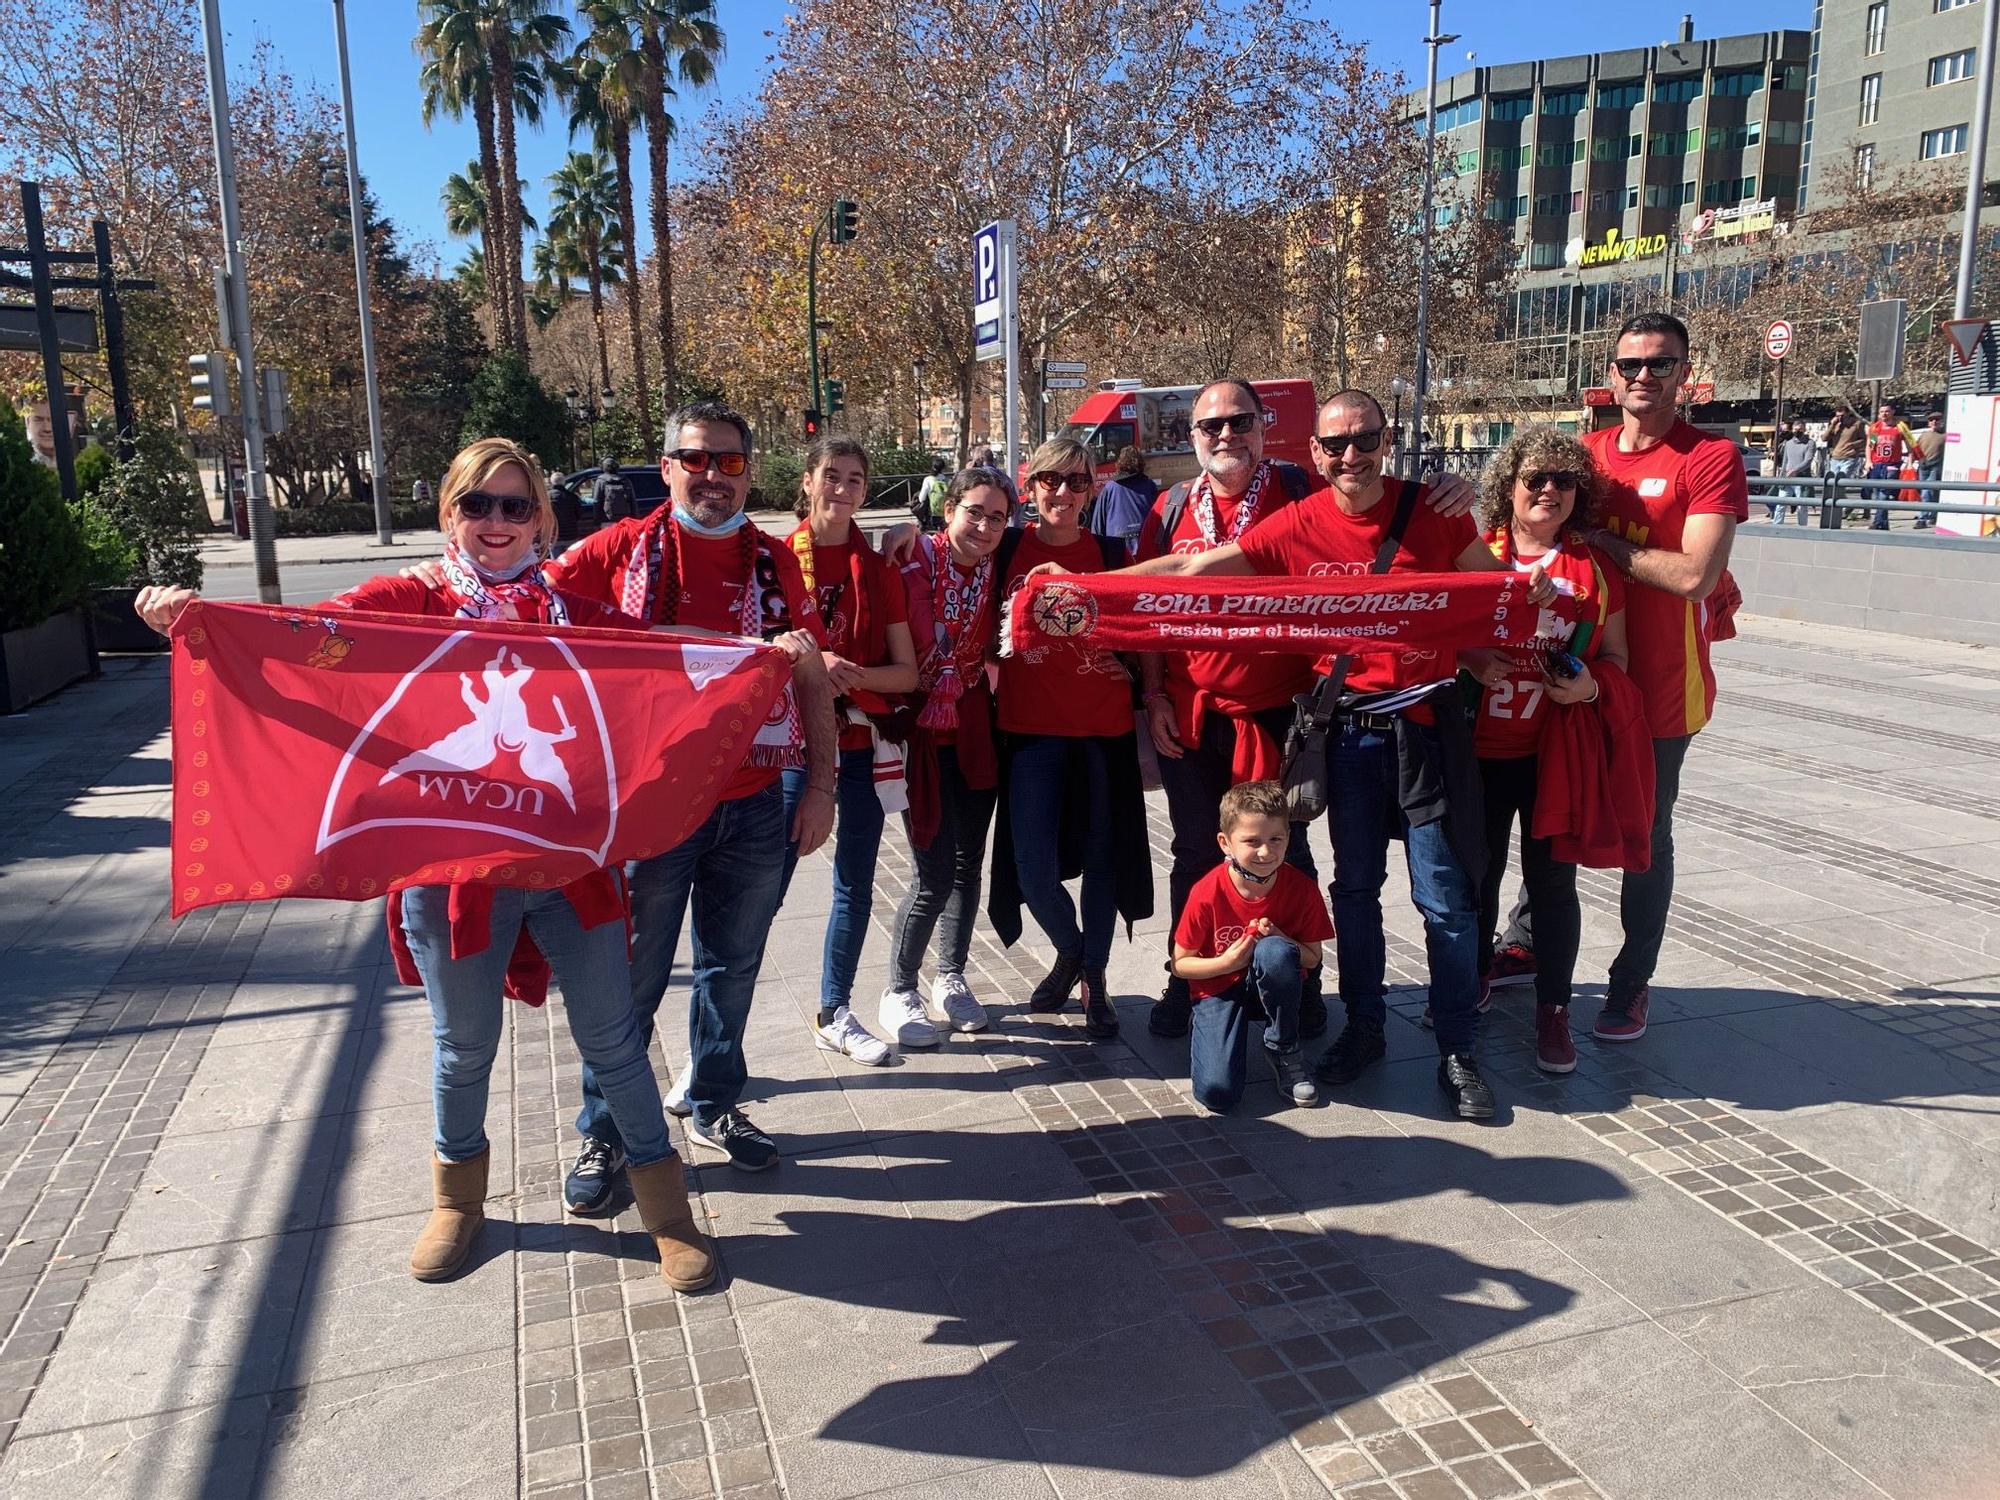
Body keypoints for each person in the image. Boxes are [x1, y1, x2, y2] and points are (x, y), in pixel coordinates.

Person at [134, 438, 715, 1291]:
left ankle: (667, 1211)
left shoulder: (571, 612)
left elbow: (656, 659)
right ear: (450, 513)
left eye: (517, 506)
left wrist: (752, 654)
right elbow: (308, 640)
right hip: (453, 884)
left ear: (543, 520)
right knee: (462, 1047)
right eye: (479, 504)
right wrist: (193, 616)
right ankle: (459, 1203)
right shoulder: (408, 602)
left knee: (614, 1042)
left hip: (568, 873)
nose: (497, 522)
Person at [1116, 389, 1550, 1121]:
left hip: (1426, 731)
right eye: (1335, 444)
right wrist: (1080, 590)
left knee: (1444, 900)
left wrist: (1528, 594)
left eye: (1365, 439)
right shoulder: (1298, 521)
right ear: (1314, 452)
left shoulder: (1435, 510)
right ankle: (1367, 1030)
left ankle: (1457, 1049)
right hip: (1345, 733)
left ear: (1388, 440)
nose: (1352, 455)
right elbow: (1193, 574)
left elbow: (1492, 587)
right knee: (1353, 892)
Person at [537, 401, 839, 1185]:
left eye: (730, 462)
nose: (713, 475)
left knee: (731, 968)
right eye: (696, 459)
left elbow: (811, 678)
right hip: (651, 811)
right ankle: (605, 1129)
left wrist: (821, 790)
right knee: (630, 978)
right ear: (667, 465)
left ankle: (712, 1103)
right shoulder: (615, 552)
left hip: (754, 803)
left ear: (749, 471)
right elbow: (519, 611)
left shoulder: (775, 564)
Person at [1560, 312, 1745, 1039]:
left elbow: (1697, 575)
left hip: (1668, 683)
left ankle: (1631, 983)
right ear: (1611, 375)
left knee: (1645, 829)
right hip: (1582, 666)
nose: (1644, 377)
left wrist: (1600, 538)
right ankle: (1528, 940)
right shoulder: (1584, 456)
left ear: (1684, 373)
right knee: (1558, 810)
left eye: (1660, 364)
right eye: (1630, 364)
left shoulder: (1710, 457)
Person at [1133, 377, 1322, 1043]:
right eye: (1211, 426)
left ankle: (1300, 981)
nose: (1226, 436)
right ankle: (1191, 981)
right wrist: (1153, 695)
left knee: (1286, 853)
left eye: (1239, 421)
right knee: (1193, 853)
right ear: (1192, 438)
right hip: (1192, 716)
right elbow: (1149, 612)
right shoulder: (1171, 507)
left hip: (1277, 716)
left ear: (1263, 426)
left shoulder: (1299, 493)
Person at [1469, 429, 1629, 1075]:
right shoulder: (1477, 555)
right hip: (1478, 751)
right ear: (1508, 484)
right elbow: (1436, 637)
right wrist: (1472, 659)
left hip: (1550, 756)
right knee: (1473, 879)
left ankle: (1554, 1013)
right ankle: (1472, 980)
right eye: (1535, 477)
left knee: (1551, 885)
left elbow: (1616, 656)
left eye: (1564, 480)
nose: (1548, 490)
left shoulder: (1591, 568)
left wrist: (1592, 686)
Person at [990, 436, 1151, 1038]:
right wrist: (904, 536)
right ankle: (1076, 952)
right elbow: (943, 561)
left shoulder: (1112, 552)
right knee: (1032, 868)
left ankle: (1096, 980)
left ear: (1094, 489)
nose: (1063, 492)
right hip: (1031, 733)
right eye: (1051, 480)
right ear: (1030, 486)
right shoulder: (1006, 545)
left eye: (1077, 482)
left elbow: (1147, 629)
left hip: (1102, 733)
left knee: (1104, 862)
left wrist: (1131, 671)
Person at [779, 437, 919, 1065]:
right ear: (808, 482)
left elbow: (907, 674)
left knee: (854, 885)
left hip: (859, 745)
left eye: (855, 480)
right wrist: (811, 662)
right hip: (787, 749)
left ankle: (834, 1010)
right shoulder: (776, 561)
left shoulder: (880, 565)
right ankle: (713, 1045)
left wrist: (850, 672)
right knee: (764, 889)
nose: (841, 489)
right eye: (831, 476)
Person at [880, 468, 1010, 1044]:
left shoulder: (997, 570)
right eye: (973, 512)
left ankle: (950, 977)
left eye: (997, 518)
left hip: (974, 731)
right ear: (949, 508)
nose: (983, 527)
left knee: (966, 867)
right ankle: (899, 990)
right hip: (920, 737)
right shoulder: (910, 561)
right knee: (931, 873)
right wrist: (895, 530)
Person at [1172, 780, 1332, 1113]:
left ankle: (1283, 1046)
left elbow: (1313, 958)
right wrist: (1226, 963)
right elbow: (1181, 964)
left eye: (1276, 839)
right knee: (1218, 1095)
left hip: (1272, 982)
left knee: (1274, 953)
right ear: (1225, 843)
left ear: (1288, 838)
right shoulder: (1206, 891)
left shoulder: (1301, 888)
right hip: (1219, 986)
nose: (1265, 852)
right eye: (1252, 841)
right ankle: (1210, 1027)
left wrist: (1281, 939)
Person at [1089, 445, 1158, 560]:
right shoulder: (1149, 485)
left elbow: (1097, 524)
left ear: (1119, 463)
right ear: (1141, 463)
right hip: (1144, 544)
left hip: (1116, 546)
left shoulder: (1110, 488)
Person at [1865, 403, 1917, 530]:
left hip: (1892, 464)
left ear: (1892, 412)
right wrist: (1868, 461)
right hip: (1877, 464)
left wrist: (1910, 462)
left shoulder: (1900, 428)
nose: (1884, 414)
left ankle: (1877, 522)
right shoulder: (1875, 428)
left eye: (1887, 411)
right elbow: (1869, 446)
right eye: (1882, 411)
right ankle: (1884, 523)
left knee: (1884, 494)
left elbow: (1911, 446)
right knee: (1877, 495)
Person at [1772, 420, 1815, 526]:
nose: (1798, 431)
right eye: (1795, 429)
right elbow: (1785, 461)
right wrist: (1782, 475)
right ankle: (1776, 526)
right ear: (1792, 430)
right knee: (1780, 504)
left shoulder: (1810, 443)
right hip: (1787, 478)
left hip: (1802, 478)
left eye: (1800, 429)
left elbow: (1808, 461)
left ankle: (1802, 528)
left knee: (1802, 506)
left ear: (1804, 429)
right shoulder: (1788, 443)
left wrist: (1795, 470)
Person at [1912, 412, 1947, 531]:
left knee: (1927, 492)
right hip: (1923, 466)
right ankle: (1932, 513)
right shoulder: (1923, 434)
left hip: (1935, 466)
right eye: (1932, 420)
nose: (1934, 422)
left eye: (1937, 419)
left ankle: (1922, 519)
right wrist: (1912, 461)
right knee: (1926, 492)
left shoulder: (1945, 436)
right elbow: (1915, 448)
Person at [592, 457, 635, 523]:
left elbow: (596, 502)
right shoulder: (625, 480)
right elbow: (633, 502)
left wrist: (596, 521)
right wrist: (635, 519)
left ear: (604, 467)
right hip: (625, 519)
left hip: (607, 520)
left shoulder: (600, 481)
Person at [918, 456, 950, 531]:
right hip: (946, 511)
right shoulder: (947, 480)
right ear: (943, 468)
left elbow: (921, 498)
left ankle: (923, 526)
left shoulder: (928, 479)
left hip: (933, 512)